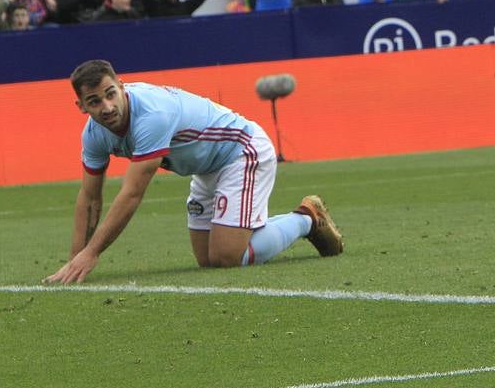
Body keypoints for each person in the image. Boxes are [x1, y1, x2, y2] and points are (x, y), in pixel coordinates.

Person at [46, 61, 344, 285]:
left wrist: (92, 252)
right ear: (81, 106)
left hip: (241, 150)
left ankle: (306, 219)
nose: (107, 106)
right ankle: (273, 224)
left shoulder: (151, 116)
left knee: (227, 257)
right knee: (207, 260)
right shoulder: (94, 135)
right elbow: (89, 198)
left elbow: (132, 193)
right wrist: (75, 260)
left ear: (122, 86)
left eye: (111, 94)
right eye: (95, 101)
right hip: (206, 168)